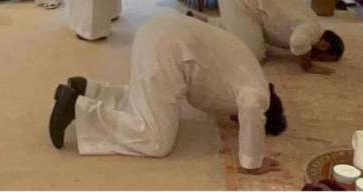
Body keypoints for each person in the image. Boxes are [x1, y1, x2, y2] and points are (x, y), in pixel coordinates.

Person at [48, 13, 287, 175]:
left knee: (144, 101)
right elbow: (252, 106)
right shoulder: (258, 93)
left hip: (156, 28)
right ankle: (78, 109)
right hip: (169, 51)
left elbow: (217, 29)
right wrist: (252, 162)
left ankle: (91, 90)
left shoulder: (250, 64)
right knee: (155, 140)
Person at [217, 0, 344, 74]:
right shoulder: (313, 30)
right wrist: (308, 66)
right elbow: (298, 41)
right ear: (324, 45)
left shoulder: (313, 22)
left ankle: (227, 24)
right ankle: (213, 30)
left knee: (260, 48)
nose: (318, 60)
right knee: (253, 57)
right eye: (324, 59)